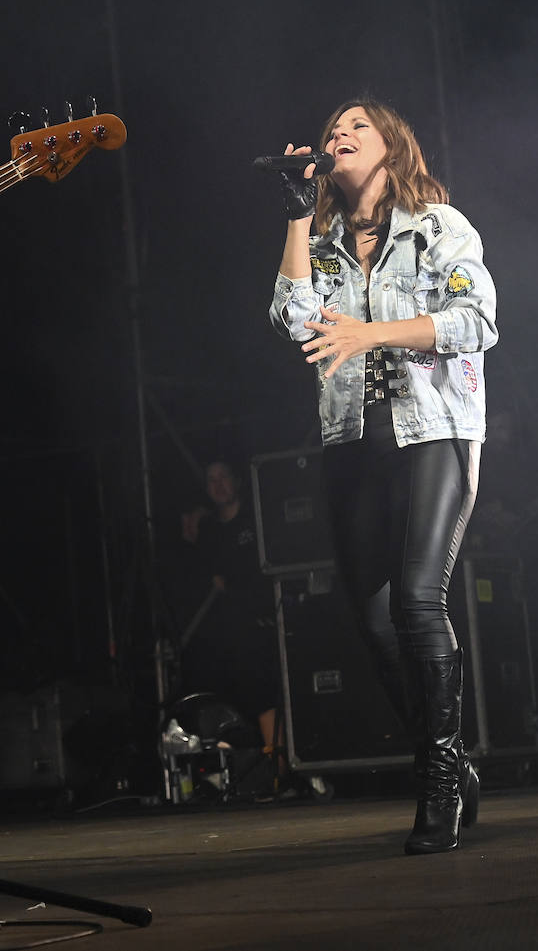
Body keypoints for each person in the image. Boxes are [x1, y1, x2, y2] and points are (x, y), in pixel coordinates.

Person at [267, 98, 497, 854]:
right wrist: (299, 216)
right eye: (334, 128)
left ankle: (435, 778)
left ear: (392, 146)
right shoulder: (326, 241)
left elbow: (476, 319)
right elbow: (295, 323)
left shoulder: (439, 225)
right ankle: (452, 758)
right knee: (372, 624)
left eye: (356, 126)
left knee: (419, 601)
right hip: (353, 440)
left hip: (434, 428)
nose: (340, 134)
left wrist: (373, 332)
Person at [177, 460, 282, 768]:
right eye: (211, 480)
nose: (218, 484)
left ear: (236, 480)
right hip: (224, 633)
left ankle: (280, 767)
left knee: (265, 693)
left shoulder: (256, 520)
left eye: (224, 477)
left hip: (262, 625)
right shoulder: (208, 531)